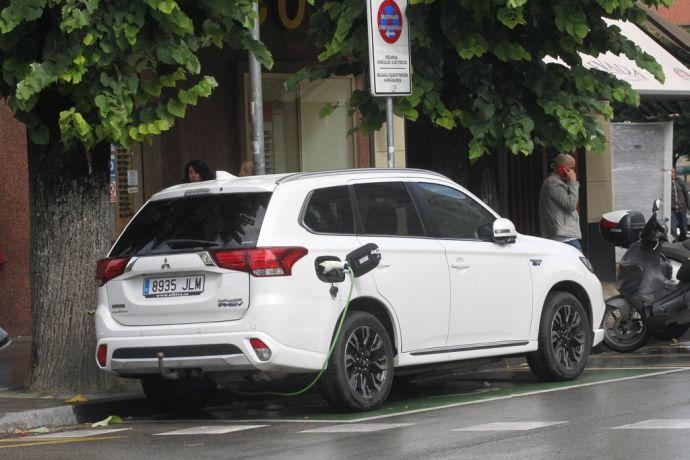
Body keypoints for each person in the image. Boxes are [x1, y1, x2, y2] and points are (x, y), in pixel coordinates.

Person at [538, 153, 582, 251]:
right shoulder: (553, 183)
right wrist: (573, 183)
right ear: (562, 169)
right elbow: (571, 205)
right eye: (571, 169)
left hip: (565, 235)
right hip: (563, 237)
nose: (573, 173)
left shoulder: (560, 182)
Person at [671, 167, 689, 242]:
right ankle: (675, 245)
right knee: (673, 230)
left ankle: (682, 243)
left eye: (672, 171)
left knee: (684, 229)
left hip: (682, 209)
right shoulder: (667, 183)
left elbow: (686, 195)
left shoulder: (680, 181)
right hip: (672, 210)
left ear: (674, 172)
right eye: (669, 171)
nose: (670, 173)